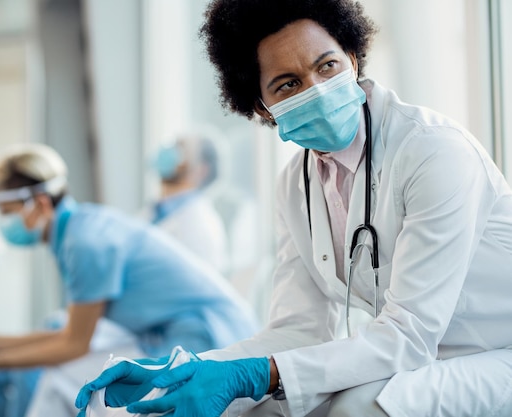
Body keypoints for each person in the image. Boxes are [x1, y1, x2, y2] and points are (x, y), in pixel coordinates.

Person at [74, 1, 512, 416]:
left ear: (353, 60)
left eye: (327, 66)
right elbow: (298, 328)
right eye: (288, 84)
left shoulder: (431, 151)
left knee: (361, 407)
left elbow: (408, 334)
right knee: (259, 406)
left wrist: (256, 374)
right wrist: (179, 371)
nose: (317, 90)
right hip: (426, 358)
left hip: (498, 353)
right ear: (263, 107)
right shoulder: (294, 185)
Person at [0, 143, 259, 417]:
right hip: (167, 332)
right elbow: (70, 334)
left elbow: (73, 343)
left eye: (6, 214)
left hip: (207, 335)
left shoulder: (84, 242)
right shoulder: (75, 230)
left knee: (55, 381)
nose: (2, 225)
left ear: (38, 203)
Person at [141, 132, 229, 274]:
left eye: (181, 149)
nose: (170, 152)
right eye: (174, 145)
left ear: (201, 171)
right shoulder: (155, 211)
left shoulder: (200, 226)